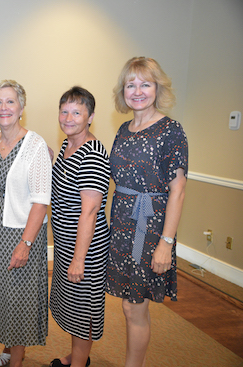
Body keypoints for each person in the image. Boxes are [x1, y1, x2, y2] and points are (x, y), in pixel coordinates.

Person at [106, 57, 188, 366]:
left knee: (134, 306)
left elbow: (178, 190)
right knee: (129, 305)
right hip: (122, 223)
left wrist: (166, 243)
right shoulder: (125, 130)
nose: (137, 91)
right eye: (131, 85)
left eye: (145, 84)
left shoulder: (171, 130)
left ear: (157, 88)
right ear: (123, 91)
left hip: (150, 225)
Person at [0, 80, 52, 367]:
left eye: (10, 102)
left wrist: (25, 244)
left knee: (18, 299)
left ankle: (16, 359)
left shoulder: (36, 146)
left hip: (22, 233)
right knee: (1, 297)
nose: (4, 108)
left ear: (21, 107)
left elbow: (41, 202)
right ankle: (7, 350)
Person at [48, 87, 110, 367]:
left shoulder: (92, 154)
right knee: (72, 307)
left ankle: (79, 363)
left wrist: (79, 259)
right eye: (64, 111)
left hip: (86, 248)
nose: (69, 117)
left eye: (77, 112)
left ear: (90, 117)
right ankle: (77, 357)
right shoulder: (66, 146)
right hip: (66, 244)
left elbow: (90, 212)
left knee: (83, 310)